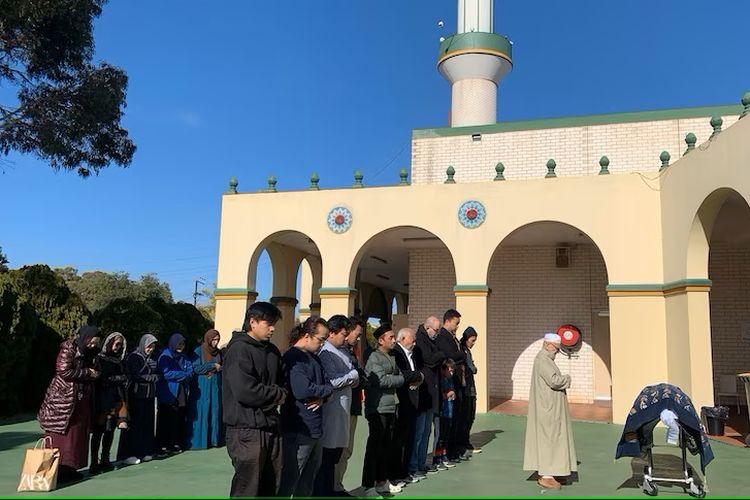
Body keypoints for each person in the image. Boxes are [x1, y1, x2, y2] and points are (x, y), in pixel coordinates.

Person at [223, 302, 287, 498]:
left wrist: (278, 393)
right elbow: (246, 392)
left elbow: (284, 383)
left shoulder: (272, 351)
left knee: (272, 482)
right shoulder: (239, 350)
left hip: (271, 426)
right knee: (247, 487)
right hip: (245, 429)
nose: (273, 328)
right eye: (268, 323)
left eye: (274, 323)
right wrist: (277, 395)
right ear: (252, 322)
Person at [38, 325, 101, 484]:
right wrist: (87, 373)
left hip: (81, 401)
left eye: (95, 342)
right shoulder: (69, 348)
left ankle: (71, 470)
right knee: (60, 437)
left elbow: (97, 371)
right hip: (63, 401)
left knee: (76, 437)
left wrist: (93, 370)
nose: (93, 345)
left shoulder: (92, 353)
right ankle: (55, 471)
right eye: (91, 342)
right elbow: (63, 371)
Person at [279, 317, 333, 497]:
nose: (323, 344)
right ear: (308, 336)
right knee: (291, 479)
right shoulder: (293, 357)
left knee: (308, 481)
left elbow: (329, 385)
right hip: (298, 429)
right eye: (321, 339)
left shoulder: (314, 358)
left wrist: (322, 396)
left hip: (316, 428)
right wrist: (324, 391)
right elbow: (302, 390)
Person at [523, 333, 578, 490]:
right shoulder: (543, 360)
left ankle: (554, 470)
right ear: (548, 345)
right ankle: (546, 475)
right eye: (556, 349)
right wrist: (567, 378)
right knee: (549, 440)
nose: (556, 352)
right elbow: (554, 381)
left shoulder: (544, 359)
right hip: (548, 409)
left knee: (553, 439)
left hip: (549, 407)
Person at [315, 315, 359, 497]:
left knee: (337, 454)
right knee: (327, 455)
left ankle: (333, 488)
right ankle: (323, 491)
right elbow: (333, 381)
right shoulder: (326, 353)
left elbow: (351, 379)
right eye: (343, 333)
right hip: (332, 409)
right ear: (332, 333)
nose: (345, 337)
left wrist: (351, 376)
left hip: (344, 407)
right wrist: (352, 375)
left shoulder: (341, 351)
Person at [361, 325, 406, 496]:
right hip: (377, 407)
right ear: (380, 340)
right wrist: (402, 379)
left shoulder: (392, 356)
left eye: (394, 337)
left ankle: (382, 481)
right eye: (390, 337)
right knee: (375, 446)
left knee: (386, 446)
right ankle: (368, 485)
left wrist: (399, 378)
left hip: (390, 405)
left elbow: (396, 375)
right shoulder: (374, 357)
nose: (394, 340)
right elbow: (381, 381)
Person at [334, 315, 367, 496]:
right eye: (358, 334)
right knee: (340, 449)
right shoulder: (339, 352)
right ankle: (334, 486)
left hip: (352, 405)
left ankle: (337, 485)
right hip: (343, 406)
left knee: (347, 449)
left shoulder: (350, 351)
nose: (359, 338)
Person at [90, 332, 130, 473]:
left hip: (116, 400)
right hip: (102, 400)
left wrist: (117, 379)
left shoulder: (119, 361)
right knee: (99, 430)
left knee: (110, 429)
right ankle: (94, 462)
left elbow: (125, 377)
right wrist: (117, 379)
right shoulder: (100, 359)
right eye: (116, 344)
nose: (118, 347)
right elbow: (102, 378)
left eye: (120, 345)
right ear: (110, 342)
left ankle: (105, 459)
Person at [118, 333, 159, 465]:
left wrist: (153, 375)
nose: (150, 349)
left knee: (146, 425)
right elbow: (136, 375)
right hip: (136, 396)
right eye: (148, 346)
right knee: (134, 426)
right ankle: (128, 454)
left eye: (152, 347)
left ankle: (145, 451)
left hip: (149, 396)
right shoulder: (134, 357)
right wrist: (152, 377)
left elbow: (158, 373)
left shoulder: (153, 358)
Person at [391, 327, 425, 485]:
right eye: (412, 339)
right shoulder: (396, 353)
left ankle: (406, 472)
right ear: (403, 338)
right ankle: (396, 474)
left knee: (410, 438)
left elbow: (419, 372)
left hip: (413, 402)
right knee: (399, 441)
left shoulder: (414, 353)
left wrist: (419, 377)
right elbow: (400, 374)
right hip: (402, 402)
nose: (415, 342)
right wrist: (417, 376)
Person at [413, 316, 445, 475]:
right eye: (436, 330)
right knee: (419, 432)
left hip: (431, 392)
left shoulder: (431, 340)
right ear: (427, 328)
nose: (437, 333)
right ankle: (415, 465)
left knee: (426, 431)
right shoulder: (420, 340)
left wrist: (439, 355)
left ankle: (421, 462)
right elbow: (430, 360)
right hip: (424, 391)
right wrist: (440, 355)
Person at [435, 309, 466, 462]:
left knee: (457, 417)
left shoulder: (453, 338)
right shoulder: (443, 337)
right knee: (446, 423)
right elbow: (451, 356)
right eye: (456, 323)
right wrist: (462, 355)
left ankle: (453, 449)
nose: (457, 326)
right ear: (448, 320)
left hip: (456, 382)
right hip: (448, 383)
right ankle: (445, 452)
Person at [156, 332, 194, 454]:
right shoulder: (165, 356)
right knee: (165, 418)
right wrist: (182, 374)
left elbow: (190, 371)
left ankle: (174, 442)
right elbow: (166, 374)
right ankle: (162, 444)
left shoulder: (184, 357)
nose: (181, 346)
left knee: (179, 417)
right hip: (167, 392)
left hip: (181, 391)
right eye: (179, 344)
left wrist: (179, 374)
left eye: (183, 344)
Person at [188, 329, 224, 449]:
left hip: (215, 386)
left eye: (217, 340)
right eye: (213, 340)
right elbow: (196, 368)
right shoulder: (199, 351)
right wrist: (212, 366)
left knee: (215, 411)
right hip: (202, 386)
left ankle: (214, 440)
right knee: (203, 411)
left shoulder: (218, 353)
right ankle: (201, 441)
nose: (215, 342)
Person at [458, 326, 480, 458]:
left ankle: (466, 441)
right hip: (466, 388)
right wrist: (473, 367)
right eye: (472, 340)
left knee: (470, 416)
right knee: (465, 417)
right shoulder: (463, 351)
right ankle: (463, 442)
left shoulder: (467, 351)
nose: (473, 343)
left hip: (470, 388)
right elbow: (471, 368)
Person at [434, 358, 457, 467]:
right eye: (450, 371)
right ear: (444, 369)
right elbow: (441, 395)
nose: (451, 373)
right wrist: (449, 393)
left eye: (453, 371)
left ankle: (444, 455)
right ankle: (437, 458)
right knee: (440, 436)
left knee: (447, 435)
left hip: (449, 412)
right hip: (443, 412)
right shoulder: (441, 381)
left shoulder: (450, 380)